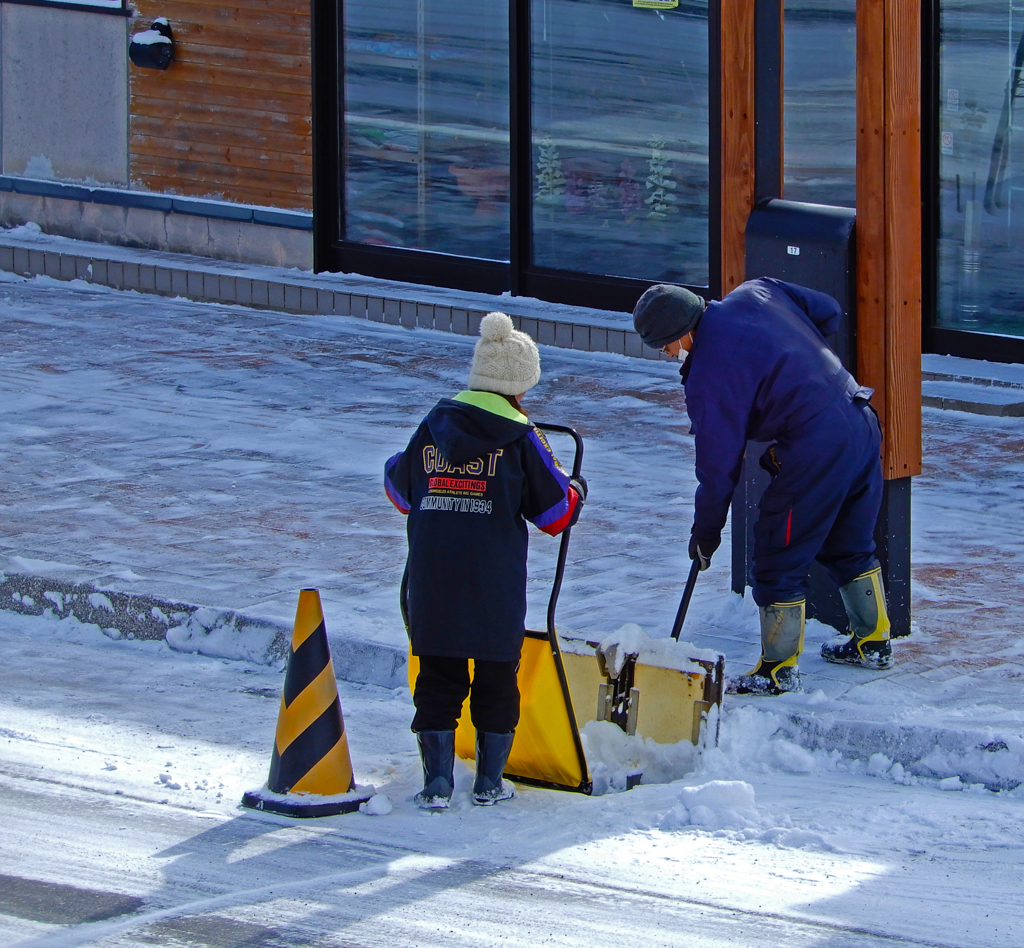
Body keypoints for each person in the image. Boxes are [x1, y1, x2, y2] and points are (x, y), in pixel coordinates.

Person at [632, 279, 893, 695]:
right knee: (847, 540)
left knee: (777, 550)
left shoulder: (709, 374)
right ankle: (873, 641)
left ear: (683, 332)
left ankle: (778, 668)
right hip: (858, 415)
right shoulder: (757, 292)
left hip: (816, 445)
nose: (667, 355)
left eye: (664, 346)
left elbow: (717, 470)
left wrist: (706, 533)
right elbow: (826, 308)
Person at [384, 311, 587, 807]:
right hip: (492, 584)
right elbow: (556, 513)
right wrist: (577, 488)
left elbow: (397, 488)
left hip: (431, 581)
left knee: (437, 677)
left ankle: (436, 784)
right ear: (519, 384)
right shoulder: (522, 438)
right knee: (497, 680)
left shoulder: (434, 424)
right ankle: (490, 784)